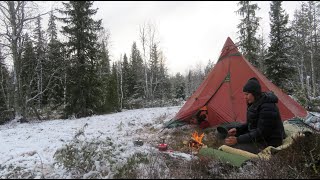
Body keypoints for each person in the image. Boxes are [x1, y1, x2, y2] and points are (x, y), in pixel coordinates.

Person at [224, 77, 286, 154]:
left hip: (270, 141)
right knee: (229, 128)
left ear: (255, 93)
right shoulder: (255, 103)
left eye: (247, 94)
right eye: (244, 94)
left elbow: (262, 133)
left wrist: (238, 139)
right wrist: (238, 130)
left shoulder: (267, 107)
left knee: (234, 148)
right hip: (259, 136)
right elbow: (251, 123)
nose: (245, 97)